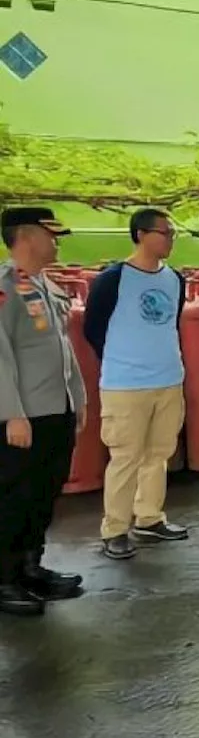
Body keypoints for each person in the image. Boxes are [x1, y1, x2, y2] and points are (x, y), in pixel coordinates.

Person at [84, 208, 189, 560]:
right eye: (165, 233)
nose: (171, 239)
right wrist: (123, 360)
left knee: (158, 453)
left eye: (173, 233)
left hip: (168, 379)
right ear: (141, 234)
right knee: (125, 456)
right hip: (125, 384)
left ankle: (149, 518)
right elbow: (93, 329)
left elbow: (170, 325)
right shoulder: (113, 279)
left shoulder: (175, 278)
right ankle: (114, 528)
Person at [0, 207, 86, 615]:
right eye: (51, 235)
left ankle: (31, 568)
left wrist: (78, 400)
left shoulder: (45, 286)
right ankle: (4, 579)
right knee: (14, 497)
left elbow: (64, 351)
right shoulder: (4, 287)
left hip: (56, 408)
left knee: (44, 493)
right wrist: (11, 412)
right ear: (27, 236)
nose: (57, 242)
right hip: (23, 415)